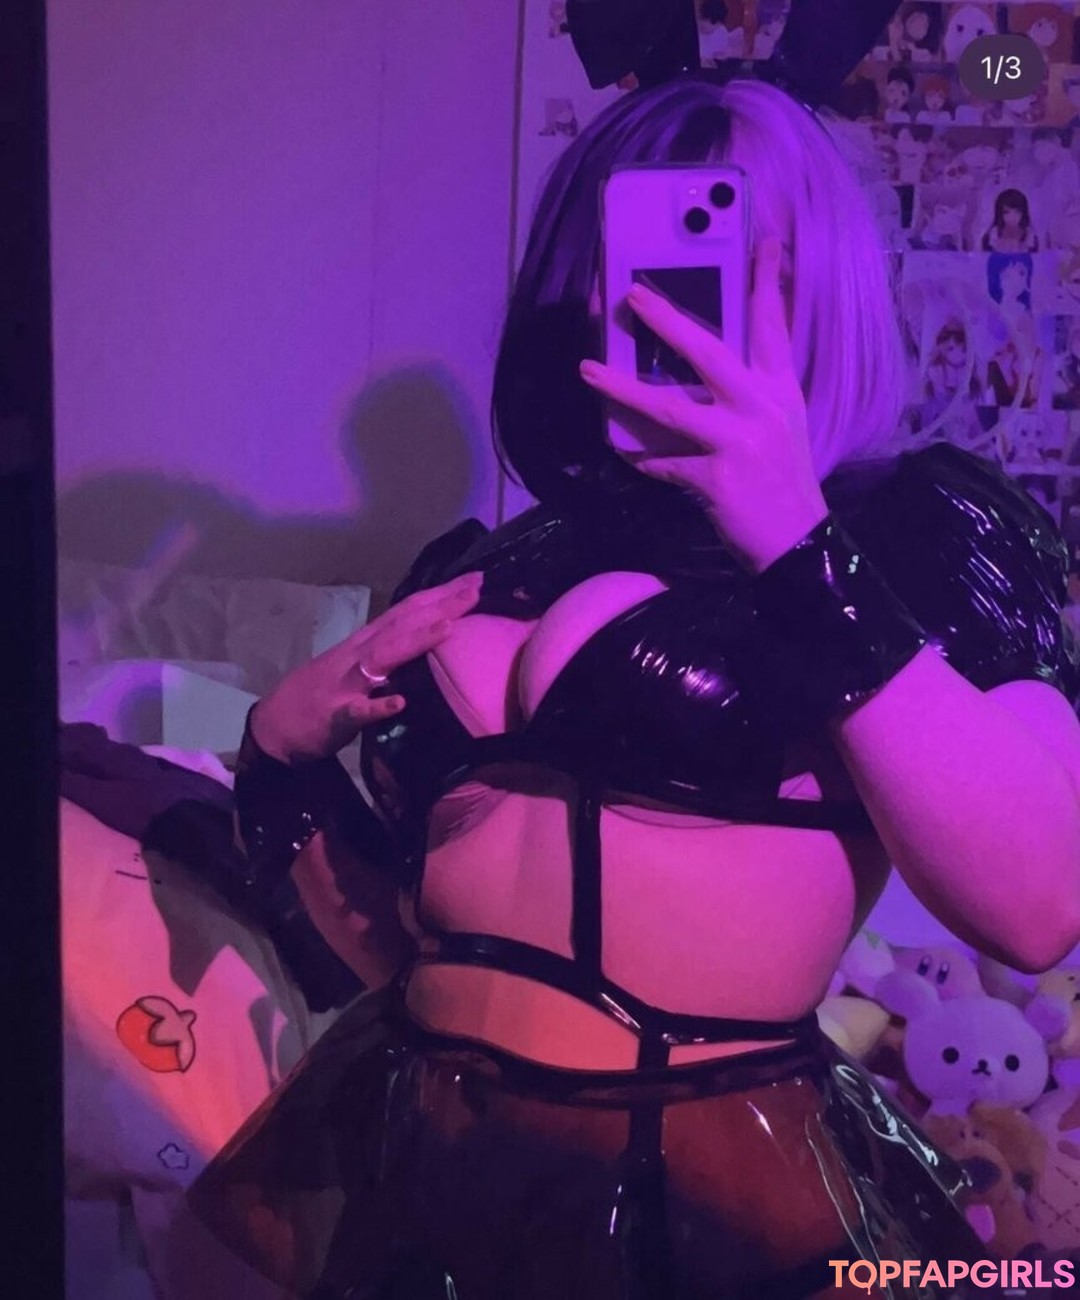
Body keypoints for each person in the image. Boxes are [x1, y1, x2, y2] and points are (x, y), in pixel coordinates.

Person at [190, 73, 1080, 1300]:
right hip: (418, 1154)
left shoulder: (916, 533)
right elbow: (406, 942)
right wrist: (280, 759)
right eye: (610, 259)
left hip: (705, 1197)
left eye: (710, 257)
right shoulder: (492, 559)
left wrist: (797, 544)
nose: (637, 301)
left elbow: (1040, 904)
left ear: (814, 285)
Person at [981, 187, 1039, 254]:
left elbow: (1033, 256)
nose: (1012, 217)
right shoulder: (993, 234)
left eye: (1018, 212)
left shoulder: (1029, 234)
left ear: (1024, 213)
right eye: (1006, 212)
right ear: (999, 213)